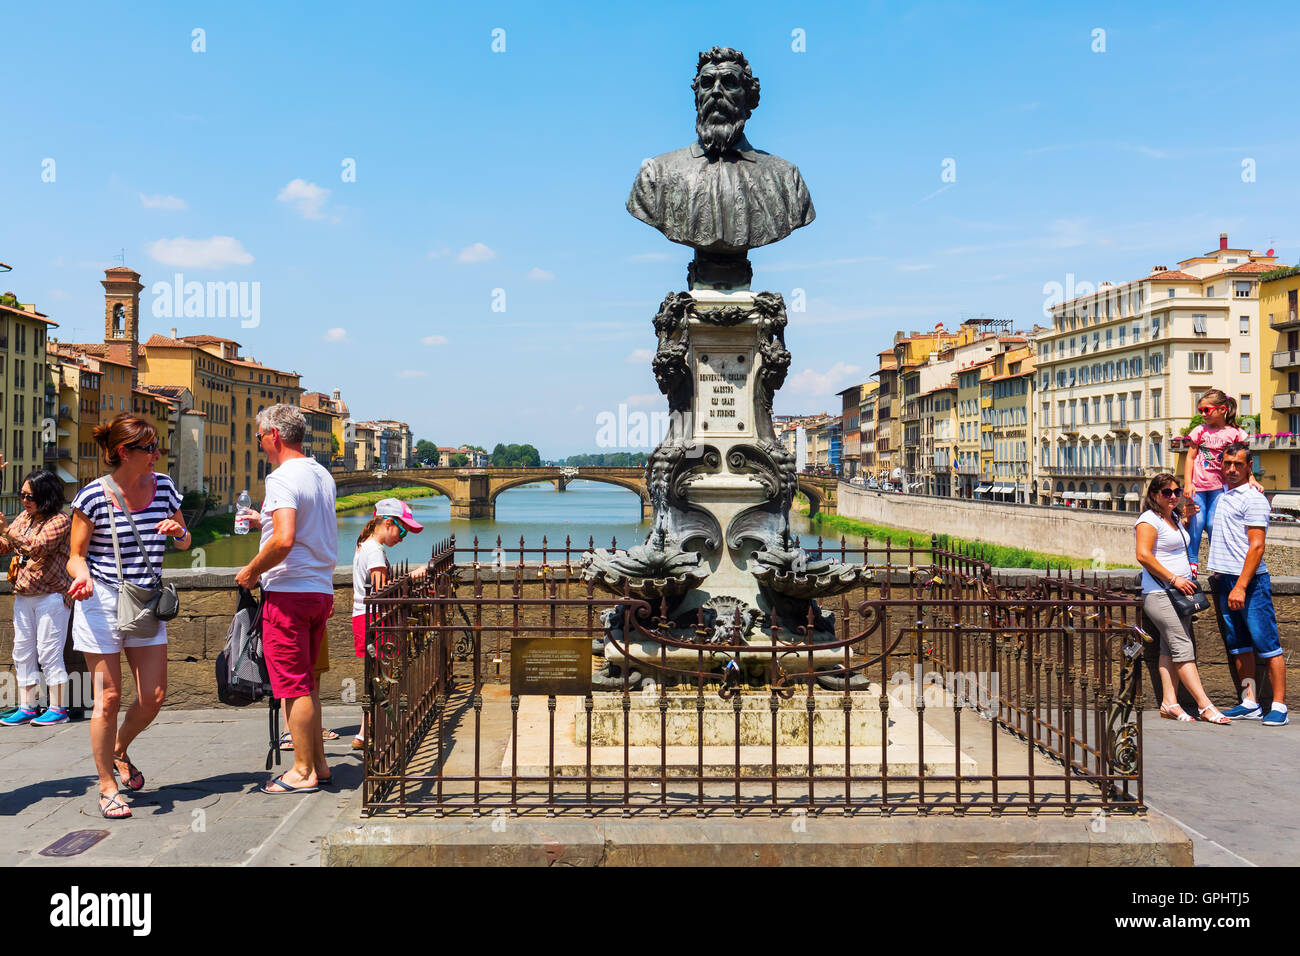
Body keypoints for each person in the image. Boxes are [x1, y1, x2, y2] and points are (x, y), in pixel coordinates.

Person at [67, 415, 190, 819]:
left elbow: (185, 539)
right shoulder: (92, 497)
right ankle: (106, 785)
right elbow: (76, 556)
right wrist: (81, 577)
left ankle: (118, 749)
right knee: (109, 697)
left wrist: (178, 533)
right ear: (125, 452)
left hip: (146, 603)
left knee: (153, 698)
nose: (157, 454)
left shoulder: (165, 488)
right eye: (150, 448)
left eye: (157, 447)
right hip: (101, 604)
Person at [235, 405, 338, 792]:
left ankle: (302, 771)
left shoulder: (279, 477)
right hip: (319, 590)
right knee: (307, 681)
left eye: (259, 436)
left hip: (288, 592)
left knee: (292, 685)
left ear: (274, 435)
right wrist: (264, 521)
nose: (259, 444)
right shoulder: (320, 473)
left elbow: (285, 540)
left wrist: (250, 572)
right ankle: (320, 765)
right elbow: (305, 527)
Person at [1134, 473, 1228, 724]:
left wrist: (1188, 518)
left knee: (1168, 646)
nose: (1173, 495)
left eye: (1176, 491)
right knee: (1182, 645)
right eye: (1167, 492)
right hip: (1160, 592)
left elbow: (1174, 544)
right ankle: (1205, 705)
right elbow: (1143, 555)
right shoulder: (1148, 519)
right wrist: (1174, 578)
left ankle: (1169, 703)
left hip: (1180, 593)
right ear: (1154, 495)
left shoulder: (1173, 517)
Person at [1209, 443, 1288, 726]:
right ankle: (1250, 702)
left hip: (1250, 582)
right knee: (1239, 645)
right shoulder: (1224, 495)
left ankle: (1279, 706)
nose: (1231, 469)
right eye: (1227, 463)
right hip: (1227, 578)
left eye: (1238, 464)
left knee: (1267, 644)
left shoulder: (1253, 499)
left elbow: (1257, 547)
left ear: (1248, 466)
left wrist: (1241, 586)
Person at [0, 470, 74, 727]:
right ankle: (28, 707)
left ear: (46, 495)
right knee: (22, 652)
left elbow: (37, 547)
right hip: (24, 594)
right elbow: (6, 546)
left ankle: (58, 708)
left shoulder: (61, 520)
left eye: (30, 496)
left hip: (52, 595)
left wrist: (8, 531)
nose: (24, 500)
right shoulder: (24, 517)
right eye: (22, 495)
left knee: (49, 652)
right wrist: (3, 534)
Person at [350, 498, 424, 750]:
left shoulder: (364, 545)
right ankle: (378, 732)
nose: (403, 538)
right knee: (383, 677)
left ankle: (364, 732)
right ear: (388, 523)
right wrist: (411, 581)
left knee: (376, 677)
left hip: (365, 617)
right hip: (375, 620)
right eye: (402, 530)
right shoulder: (375, 551)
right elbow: (381, 594)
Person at [1182, 389, 1252, 576]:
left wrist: (1251, 478)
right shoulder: (1199, 431)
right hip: (1198, 486)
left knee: (1214, 524)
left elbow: (1245, 459)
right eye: (1200, 410)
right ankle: (1192, 562)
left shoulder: (1235, 433)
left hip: (1220, 487)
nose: (1202, 414)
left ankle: (1218, 564)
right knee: (1197, 522)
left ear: (1222, 409)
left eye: (1206, 410)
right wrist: (1187, 483)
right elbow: (1190, 458)